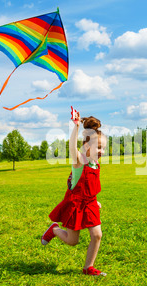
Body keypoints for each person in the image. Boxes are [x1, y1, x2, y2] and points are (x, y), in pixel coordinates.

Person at [40, 110, 107, 276]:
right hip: (75, 204)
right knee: (72, 241)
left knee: (97, 235)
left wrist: (95, 200)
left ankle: (88, 267)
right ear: (86, 146)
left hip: (90, 203)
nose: (101, 152)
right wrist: (76, 127)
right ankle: (54, 229)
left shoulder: (96, 165)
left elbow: (90, 186)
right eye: (98, 148)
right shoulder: (79, 162)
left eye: (103, 148)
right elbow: (71, 147)